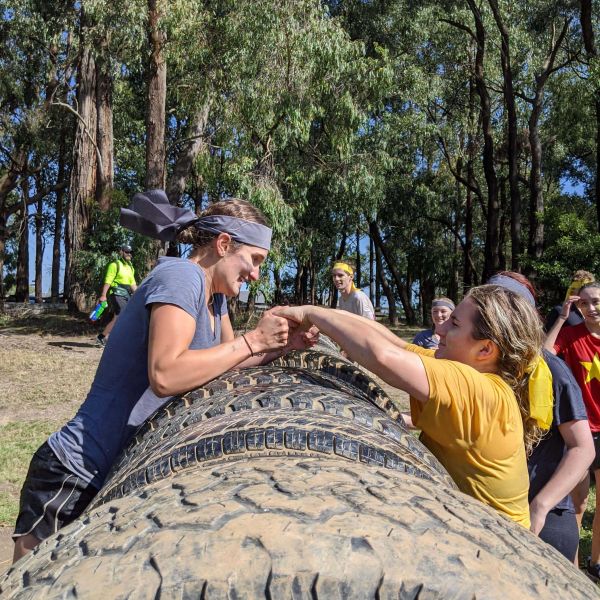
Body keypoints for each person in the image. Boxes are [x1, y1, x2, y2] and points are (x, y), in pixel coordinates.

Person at [12, 190, 317, 563]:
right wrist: (254, 340)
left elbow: (224, 365)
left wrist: (283, 346)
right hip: (74, 474)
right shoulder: (180, 276)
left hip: (115, 477)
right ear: (223, 244)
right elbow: (166, 373)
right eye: (254, 260)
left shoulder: (215, 296)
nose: (255, 274)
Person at [275, 283, 546, 527]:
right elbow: (390, 341)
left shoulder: (478, 388)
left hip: (497, 545)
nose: (439, 330)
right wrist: (311, 313)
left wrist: (311, 314)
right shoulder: (464, 370)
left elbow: (382, 356)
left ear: (485, 350)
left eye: (454, 324)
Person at [489, 272, 593, 562]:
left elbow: (582, 448)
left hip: (544, 514)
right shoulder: (473, 361)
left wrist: (541, 506)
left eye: (508, 305)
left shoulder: (551, 370)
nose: (497, 314)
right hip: (488, 509)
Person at [544, 282, 600, 576]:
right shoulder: (570, 334)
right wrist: (564, 317)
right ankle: (573, 569)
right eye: (585, 303)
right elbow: (542, 354)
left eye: (597, 302)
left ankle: (596, 563)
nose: (592, 308)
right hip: (581, 431)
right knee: (577, 505)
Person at [96, 244, 138, 347]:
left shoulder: (130, 267)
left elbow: (133, 284)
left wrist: (139, 296)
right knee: (123, 314)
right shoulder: (115, 265)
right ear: (121, 252)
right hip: (116, 292)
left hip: (127, 294)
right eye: (127, 252)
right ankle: (121, 340)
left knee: (117, 317)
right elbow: (108, 281)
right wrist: (103, 295)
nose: (129, 254)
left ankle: (101, 337)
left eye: (130, 252)